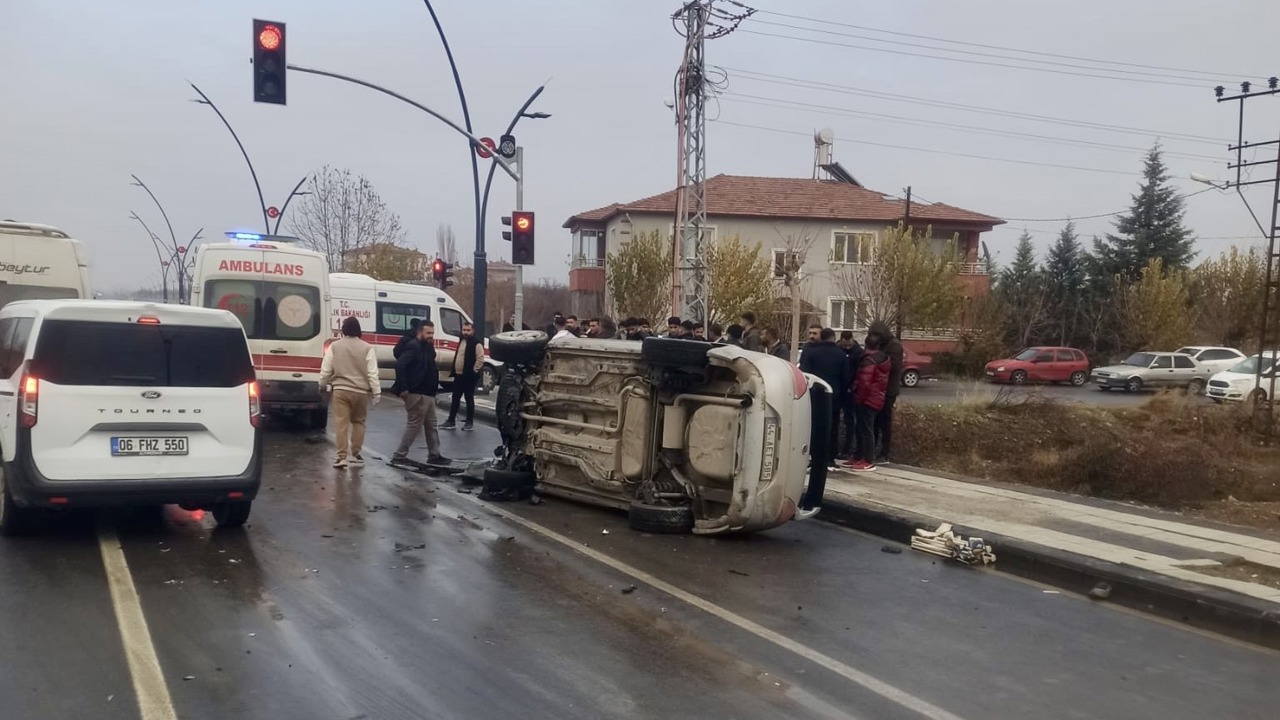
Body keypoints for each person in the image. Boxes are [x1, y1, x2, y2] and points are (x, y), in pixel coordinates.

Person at [318, 316, 381, 468]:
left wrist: (322, 384)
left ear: (343, 330)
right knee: (359, 422)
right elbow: (373, 372)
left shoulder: (335, 346)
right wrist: (376, 392)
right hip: (360, 391)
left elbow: (326, 369)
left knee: (341, 423)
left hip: (341, 390)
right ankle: (356, 454)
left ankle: (341, 457)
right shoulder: (367, 348)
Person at [391, 321, 448, 466]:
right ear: (420, 332)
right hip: (417, 392)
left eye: (432, 334)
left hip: (428, 393)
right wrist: (404, 388)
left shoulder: (426, 347)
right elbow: (400, 365)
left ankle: (434, 455)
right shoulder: (413, 347)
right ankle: (399, 455)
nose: (431, 336)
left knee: (431, 425)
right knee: (414, 425)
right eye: (428, 333)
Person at [800, 328, 848, 469]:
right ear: (833, 338)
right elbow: (846, 378)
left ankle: (814, 457)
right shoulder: (841, 355)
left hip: (814, 396)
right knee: (832, 428)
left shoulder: (812, 353)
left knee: (814, 427)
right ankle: (830, 458)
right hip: (834, 397)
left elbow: (804, 374)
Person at [846, 333, 890, 472]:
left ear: (866, 345)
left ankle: (868, 460)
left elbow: (865, 383)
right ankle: (859, 456)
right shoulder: (883, 359)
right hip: (876, 398)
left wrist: (857, 396)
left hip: (866, 399)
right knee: (863, 429)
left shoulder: (869, 361)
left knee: (866, 430)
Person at [868, 320, 904, 465]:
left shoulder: (894, 346)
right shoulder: (880, 345)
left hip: (888, 389)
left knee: (885, 421)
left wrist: (877, 362)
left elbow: (895, 367)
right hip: (877, 389)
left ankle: (884, 453)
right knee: (874, 422)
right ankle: (873, 450)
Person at [442, 321, 484, 432]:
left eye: (468, 330)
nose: (465, 332)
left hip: (469, 377)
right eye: (464, 330)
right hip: (459, 375)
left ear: (472, 331)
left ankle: (469, 422)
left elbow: (480, 359)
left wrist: (474, 370)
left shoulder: (476, 343)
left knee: (469, 399)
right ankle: (451, 421)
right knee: (455, 398)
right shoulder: (461, 341)